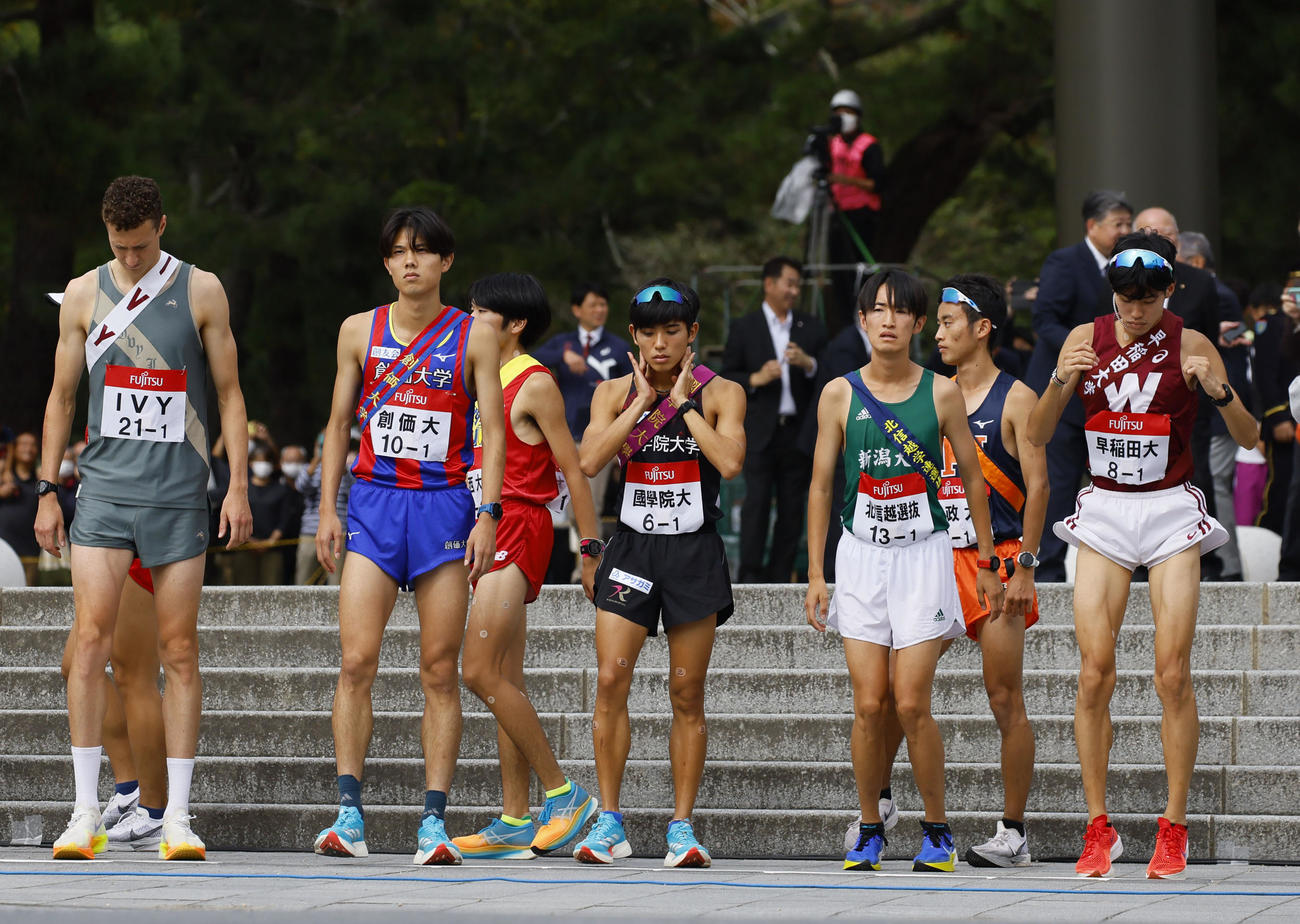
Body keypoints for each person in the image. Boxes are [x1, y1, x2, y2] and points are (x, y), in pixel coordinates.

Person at [1026, 231, 1258, 879]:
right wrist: (1060, 379)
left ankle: (1173, 826)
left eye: (1148, 299)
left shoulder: (1191, 342)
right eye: (1125, 298)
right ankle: (1098, 827)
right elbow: (1037, 434)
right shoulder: (1085, 337)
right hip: (1105, 509)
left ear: (1170, 291)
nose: (1135, 310)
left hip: (1169, 512)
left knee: (1171, 672)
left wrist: (1218, 392)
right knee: (1094, 671)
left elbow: (1248, 437)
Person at [34, 174, 253, 861]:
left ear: (162, 225)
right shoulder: (83, 293)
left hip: (179, 496)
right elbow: (61, 396)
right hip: (103, 494)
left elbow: (230, 394)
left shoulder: (201, 289)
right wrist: (46, 488)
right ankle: (84, 812)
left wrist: (238, 487)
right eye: (118, 246)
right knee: (88, 643)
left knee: (179, 651)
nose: (129, 258)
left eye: (140, 245)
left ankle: (177, 816)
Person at [311, 206, 505, 866]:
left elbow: (494, 430)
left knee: (439, 670)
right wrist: (328, 510)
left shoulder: (475, 334)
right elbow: (338, 425)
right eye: (398, 252)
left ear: (446, 261)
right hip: (373, 506)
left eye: (422, 251)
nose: (410, 262)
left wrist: (488, 514)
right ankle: (348, 813)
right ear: (387, 263)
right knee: (356, 661)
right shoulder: (357, 330)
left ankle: (433, 821)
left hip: (443, 510)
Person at [805, 268, 1004, 873]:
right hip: (861, 557)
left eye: (900, 311)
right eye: (877, 309)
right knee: (870, 703)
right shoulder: (838, 394)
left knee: (911, 701)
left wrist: (988, 560)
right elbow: (820, 486)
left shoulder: (941, 393)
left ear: (919, 323)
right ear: (862, 320)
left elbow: (973, 481)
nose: (888, 320)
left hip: (924, 557)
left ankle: (937, 832)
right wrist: (815, 573)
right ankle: (870, 826)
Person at [867, 276, 1047, 867]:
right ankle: (880, 803)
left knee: (1004, 696)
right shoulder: (928, 393)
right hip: (930, 556)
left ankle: (1014, 832)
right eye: (938, 323)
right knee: (898, 692)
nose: (938, 333)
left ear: (982, 328)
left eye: (948, 323)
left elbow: (1041, 485)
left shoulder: (1016, 398)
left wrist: (1024, 566)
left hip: (997, 559)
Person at [570, 279, 745, 867]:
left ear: (692, 333)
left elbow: (730, 462)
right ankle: (609, 821)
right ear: (634, 336)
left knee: (686, 691)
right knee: (610, 680)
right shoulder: (611, 392)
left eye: (673, 331)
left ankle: (681, 826)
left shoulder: (723, 392)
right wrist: (641, 403)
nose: (661, 343)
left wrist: (683, 405)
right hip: (633, 551)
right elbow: (589, 460)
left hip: (694, 553)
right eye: (649, 333)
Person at [452, 272, 602, 860]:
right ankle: (515, 817)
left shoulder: (533, 382)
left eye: (480, 313)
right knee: (504, 681)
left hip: (518, 523)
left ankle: (565, 794)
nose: (469, 321)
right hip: (487, 526)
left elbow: (574, 471)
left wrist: (590, 551)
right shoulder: (479, 379)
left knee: (478, 671)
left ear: (514, 324)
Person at [1025, 190, 1133, 581]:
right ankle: (1048, 568)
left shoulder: (1127, 265)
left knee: (1116, 478)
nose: (1125, 230)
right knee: (1059, 479)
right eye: (1118, 224)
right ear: (1092, 226)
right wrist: (1086, 349)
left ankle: (1125, 562)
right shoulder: (1065, 262)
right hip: (1066, 390)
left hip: (1114, 393)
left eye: (1128, 223)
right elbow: (1044, 321)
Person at [721, 256, 827, 582]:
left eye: (798, 285)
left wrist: (808, 363)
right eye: (789, 283)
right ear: (769, 284)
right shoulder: (744, 327)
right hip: (759, 431)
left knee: (792, 507)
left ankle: (782, 575)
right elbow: (726, 377)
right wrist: (755, 378)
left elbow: (829, 373)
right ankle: (750, 577)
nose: (794, 291)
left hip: (797, 431)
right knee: (756, 503)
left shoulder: (810, 326)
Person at [58, 561, 169, 850]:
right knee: (75, 665)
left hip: (134, 549)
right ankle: (130, 789)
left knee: (133, 676)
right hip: (105, 548)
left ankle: (154, 813)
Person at [533, 283, 633, 578]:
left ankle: (591, 566)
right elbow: (532, 359)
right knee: (567, 507)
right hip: (566, 437)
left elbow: (633, 390)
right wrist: (561, 358)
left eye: (603, 305)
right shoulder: (563, 344)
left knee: (590, 504)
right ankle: (585, 562)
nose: (599, 310)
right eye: (593, 305)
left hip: (602, 439)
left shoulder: (618, 347)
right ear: (577, 310)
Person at [1178, 230, 1251, 580]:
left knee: (1215, 481)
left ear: (1196, 262)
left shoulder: (1214, 293)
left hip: (1220, 401)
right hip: (1215, 401)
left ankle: (1226, 564)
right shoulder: (1217, 292)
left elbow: (1224, 345)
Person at [820, 89, 885, 328]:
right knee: (839, 273)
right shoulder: (831, 144)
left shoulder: (869, 145)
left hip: (862, 215)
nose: (843, 117)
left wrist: (843, 179)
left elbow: (878, 183)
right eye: (838, 113)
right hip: (837, 213)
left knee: (860, 269)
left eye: (848, 112)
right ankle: (845, 323)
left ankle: (864, 316)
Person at [0, 431, 40, 584]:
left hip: (31, 553)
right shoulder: (4, 478)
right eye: (23, 444)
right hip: (4, 551)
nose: (28, 449)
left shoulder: (41, 480)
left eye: (32, 445)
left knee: (28, 594)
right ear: (14, 449)